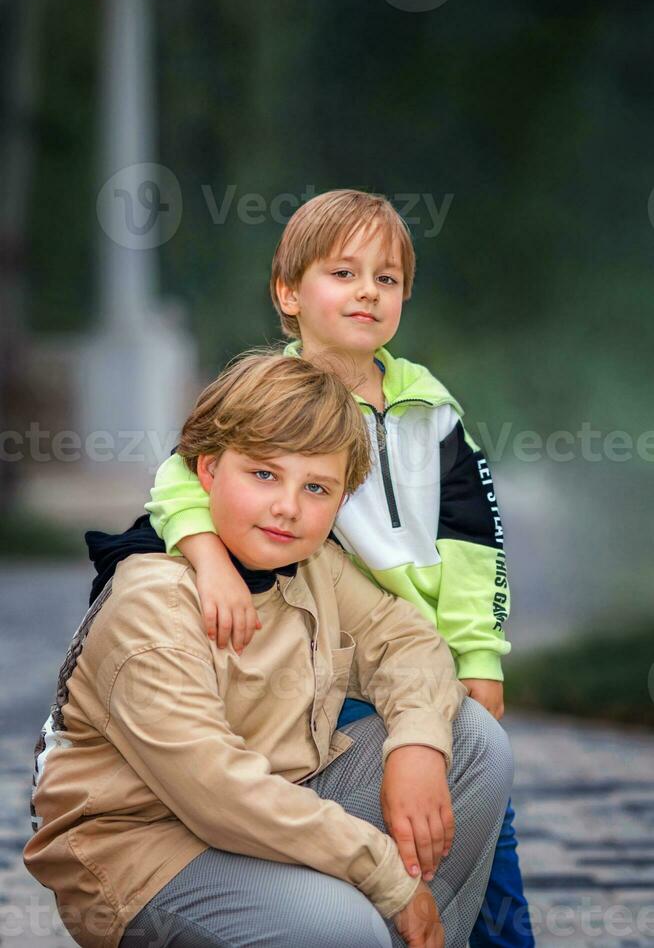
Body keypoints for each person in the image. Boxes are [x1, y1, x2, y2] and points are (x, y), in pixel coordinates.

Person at [145, 189, 534, 947]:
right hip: (324, 662)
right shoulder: (271, 398)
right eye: (343, 273)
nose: (367, 291)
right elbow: (177, 480)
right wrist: (208, 562)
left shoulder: (430, 407)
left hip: (419, 657)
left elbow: (472, 537)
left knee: (487, 821)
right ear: (288, 293)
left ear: (404, 298)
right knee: (384, 818)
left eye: (386, 280)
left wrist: (478, 653)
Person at [24, 353, 513, 948]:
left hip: (281, 798)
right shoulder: (153, 604)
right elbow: (218, 793)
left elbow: (408, 642)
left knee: (471, 744)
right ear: (207, 471)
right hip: (148, 852)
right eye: (263, 475)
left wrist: (416, 743)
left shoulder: (313, 566)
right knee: (341, 929)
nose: (288, 507)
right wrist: (384, 873)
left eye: (316, 488)